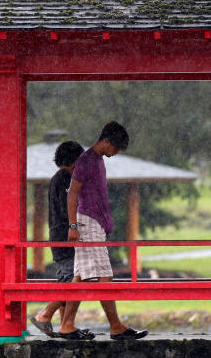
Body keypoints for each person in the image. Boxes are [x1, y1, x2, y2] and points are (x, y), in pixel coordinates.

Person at [58, 121, 148, 341]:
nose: (115, 153)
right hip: (87, 222)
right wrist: (72, 225)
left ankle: (67, 324)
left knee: (79, 276)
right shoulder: (86, 161)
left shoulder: (97, 161)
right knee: (104, 276)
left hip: (94, 222)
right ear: (106, 141)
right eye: (115, 149)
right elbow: (72, 194)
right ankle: (116, 326)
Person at [30, 140, 90, 338]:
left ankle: (67, 326)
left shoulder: (61, 178)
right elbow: (68, 209)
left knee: (68, 277)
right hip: (65, 236)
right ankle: (45, 314)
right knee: (74, 280)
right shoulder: (64, 179)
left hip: (62, 235)